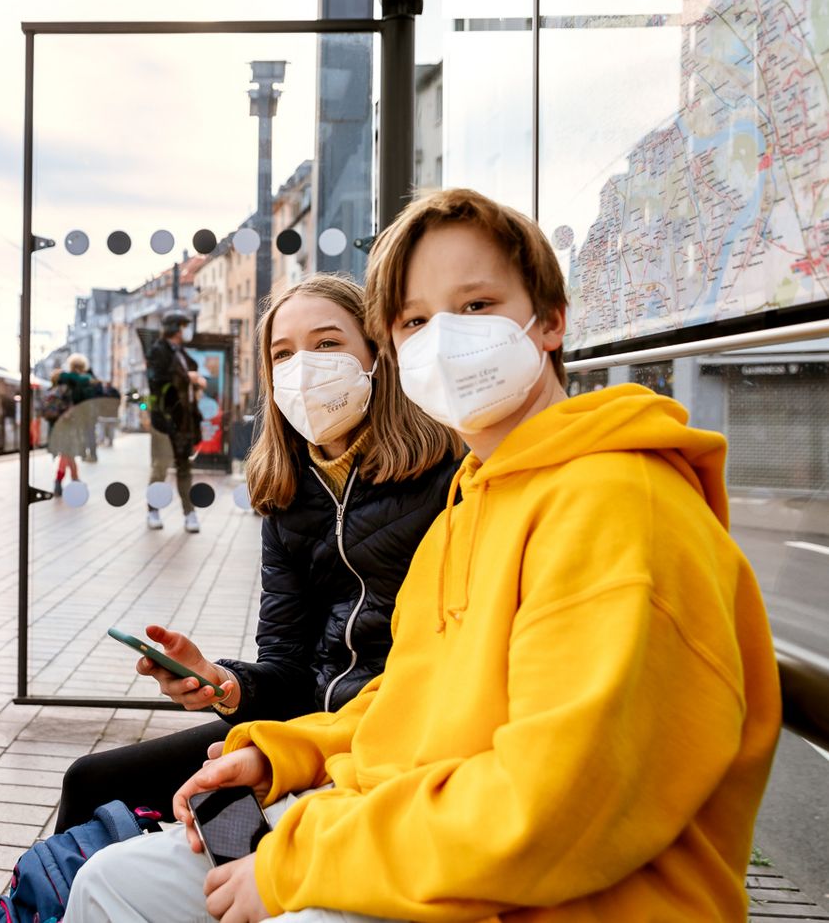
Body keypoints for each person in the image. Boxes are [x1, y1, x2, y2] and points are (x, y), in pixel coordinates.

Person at [63, 188, 781, 922]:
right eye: (415, 320)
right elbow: (404, 701)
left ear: (551, 321)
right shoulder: (470, 507)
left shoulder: (620, 504)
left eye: (475, 306)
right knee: (109, 884)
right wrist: (284, 752)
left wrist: (298, 856)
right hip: (401, 818)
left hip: (557, 892)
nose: (444, 337)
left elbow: (550, 810)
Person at [54, 274, 462, 832]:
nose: (303, 368)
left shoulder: (447, 475)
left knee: (214, 834)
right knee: (91, 781)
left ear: (375, 354)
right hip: (304, 720)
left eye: (327, 344)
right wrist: (219, 680)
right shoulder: (286, 491)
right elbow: (288, 667)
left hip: (397, 735)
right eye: (283, 355)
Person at [146, 311, 209, 532]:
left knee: (184, 466)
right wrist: (188, 378)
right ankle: (153, 510)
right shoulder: (158, 351)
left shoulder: (181, 352)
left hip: (183, 420)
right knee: (160, 467)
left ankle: (189, 513)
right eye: (184, 326)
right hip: (164, 420)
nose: (186, 330)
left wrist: (195, 381)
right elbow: (158, 380)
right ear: (175, 328)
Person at [49, 354, 97, 496]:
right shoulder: (85, 381)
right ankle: (58, 482)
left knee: (68, 453)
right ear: (83, 367)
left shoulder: (61, 378)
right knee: (67, 452)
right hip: (71, 423)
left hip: (58, 422)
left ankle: (75, 480)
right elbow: (88, 404)